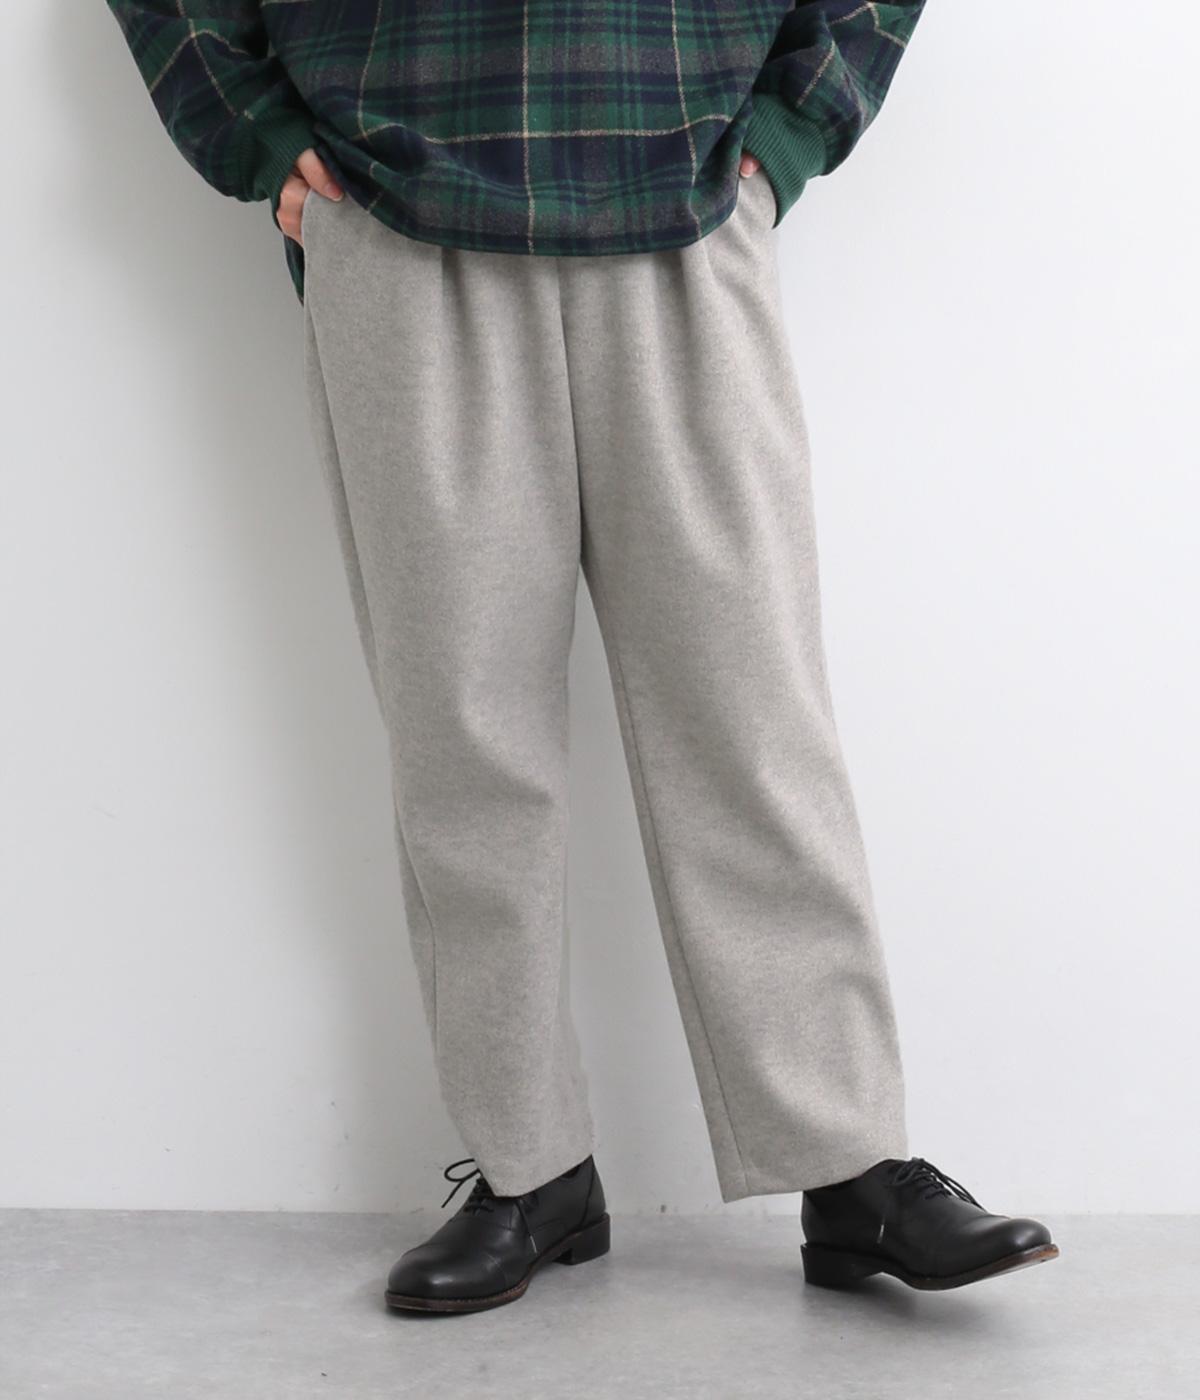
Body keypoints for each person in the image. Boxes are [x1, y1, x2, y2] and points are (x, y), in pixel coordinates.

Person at [106, 0, 1059, 1314]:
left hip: (686, 188)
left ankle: (850, 1165)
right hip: (392, 198)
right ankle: (528, 1169)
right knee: (465, 741)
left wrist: (790, 127)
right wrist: (256, 133)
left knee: (751, 717)